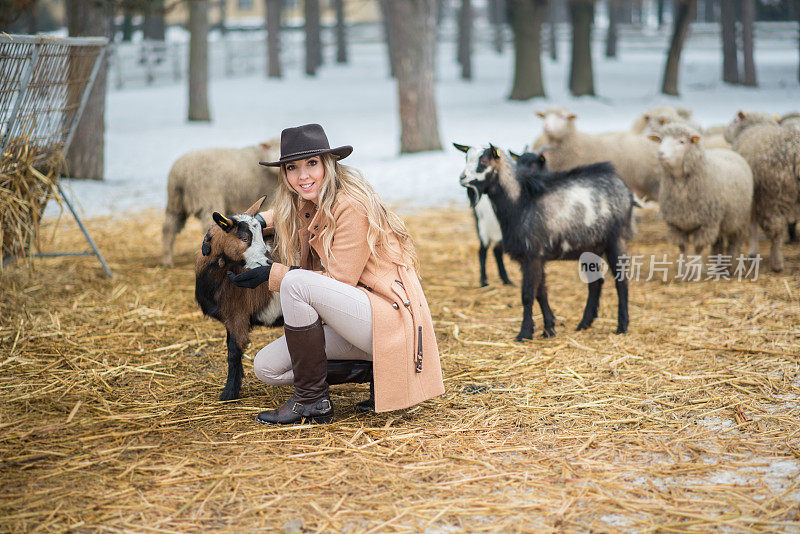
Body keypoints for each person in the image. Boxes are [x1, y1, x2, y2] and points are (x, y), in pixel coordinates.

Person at [228, 123, 444, 424]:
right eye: (292, 167)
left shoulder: (351, 205)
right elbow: (283, 215)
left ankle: (311, 401)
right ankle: (381, 372)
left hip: (390, 319)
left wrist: (271, 275)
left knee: (295, 283)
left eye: (312, 164)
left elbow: (338, 281)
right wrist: (248, 221)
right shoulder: (309, 201)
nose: (302, 176)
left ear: (328, 164)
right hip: (359, 321)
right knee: (267, 368)